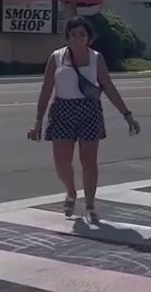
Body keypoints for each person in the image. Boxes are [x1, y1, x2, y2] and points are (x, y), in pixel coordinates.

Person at [29, 16, 140, 223]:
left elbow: (108, 86)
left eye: (82, 34)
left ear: (89, 38)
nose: (77, 38)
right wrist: (38, 121)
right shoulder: (56, 57)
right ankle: (71, 192)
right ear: (67, 37)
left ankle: (90, 206)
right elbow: (46, 89)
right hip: (62, 110)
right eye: (73, 34)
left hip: (89, 111)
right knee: (61, 161)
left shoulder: (96, 58)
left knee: (88, 161)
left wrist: (127, 115)